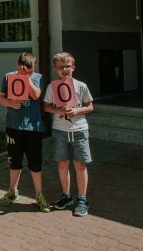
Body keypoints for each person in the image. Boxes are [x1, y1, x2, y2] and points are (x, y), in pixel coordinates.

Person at [0, 52, 49, 213]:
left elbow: (36, 95)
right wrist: (11, 104)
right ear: (17, 65)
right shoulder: (8, 77)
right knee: (14, 161)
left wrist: (26, 78)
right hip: (14, 126)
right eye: (22, 69)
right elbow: (1, 98)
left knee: (35, 163)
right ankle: (13, 191)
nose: (27, 72)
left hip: (33, 127)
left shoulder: (37, 77)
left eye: (30, 70)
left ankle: (39, 195)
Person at [43, 52, 94, 217]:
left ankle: (82, 198)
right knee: (62, 164)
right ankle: (66, 195)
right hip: (60, 131)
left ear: (73, 67)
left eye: (67, 66)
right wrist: (58, 110)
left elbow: (90, 106)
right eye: (60, 67)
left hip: (79, 129)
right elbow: (46, 106)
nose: (64, 70)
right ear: (56, 69)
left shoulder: (81, 86)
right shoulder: (52, 87)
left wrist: (77, 110)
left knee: (80, 164)